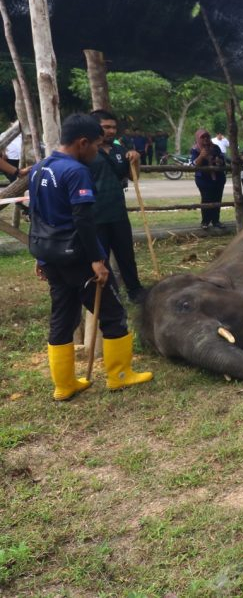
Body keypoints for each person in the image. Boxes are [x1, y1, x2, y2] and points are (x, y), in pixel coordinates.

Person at [29, 113, 152, 400]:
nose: (98, 151)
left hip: (52, 256)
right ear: (82, 143)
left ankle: (64, 385)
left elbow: (36, 215)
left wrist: (41, 255)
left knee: (62, 317)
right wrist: (97, 259)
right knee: (112, 313)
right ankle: (120, 375)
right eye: (96, 145)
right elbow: (83, 219)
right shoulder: (75, 171)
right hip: (79, 257)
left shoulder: (38, 168)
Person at [88, 109, 145, 304]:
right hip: (95, 215)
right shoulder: (87, 151)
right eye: (106, 127)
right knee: (100, 258)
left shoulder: (120, 150)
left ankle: (135, 291)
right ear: (95, 127)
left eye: (113, 127)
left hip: (118, 213)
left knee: (126, 255)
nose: (111, 131)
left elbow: (132, 176)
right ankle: (108, 293)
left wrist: (135, 160)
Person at [189, 129, 227, 229]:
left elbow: (223, 160)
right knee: (206, 199)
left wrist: (219, 161)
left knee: (217, 199)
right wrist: (201, 156)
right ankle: (205, 222)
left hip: (218, 178)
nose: (205, 139)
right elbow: (193, 164)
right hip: (203, 179)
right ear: (198, 138)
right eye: (203, 137)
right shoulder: (195, 149)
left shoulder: (215, 147)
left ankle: (216, 221)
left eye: (207, 136)